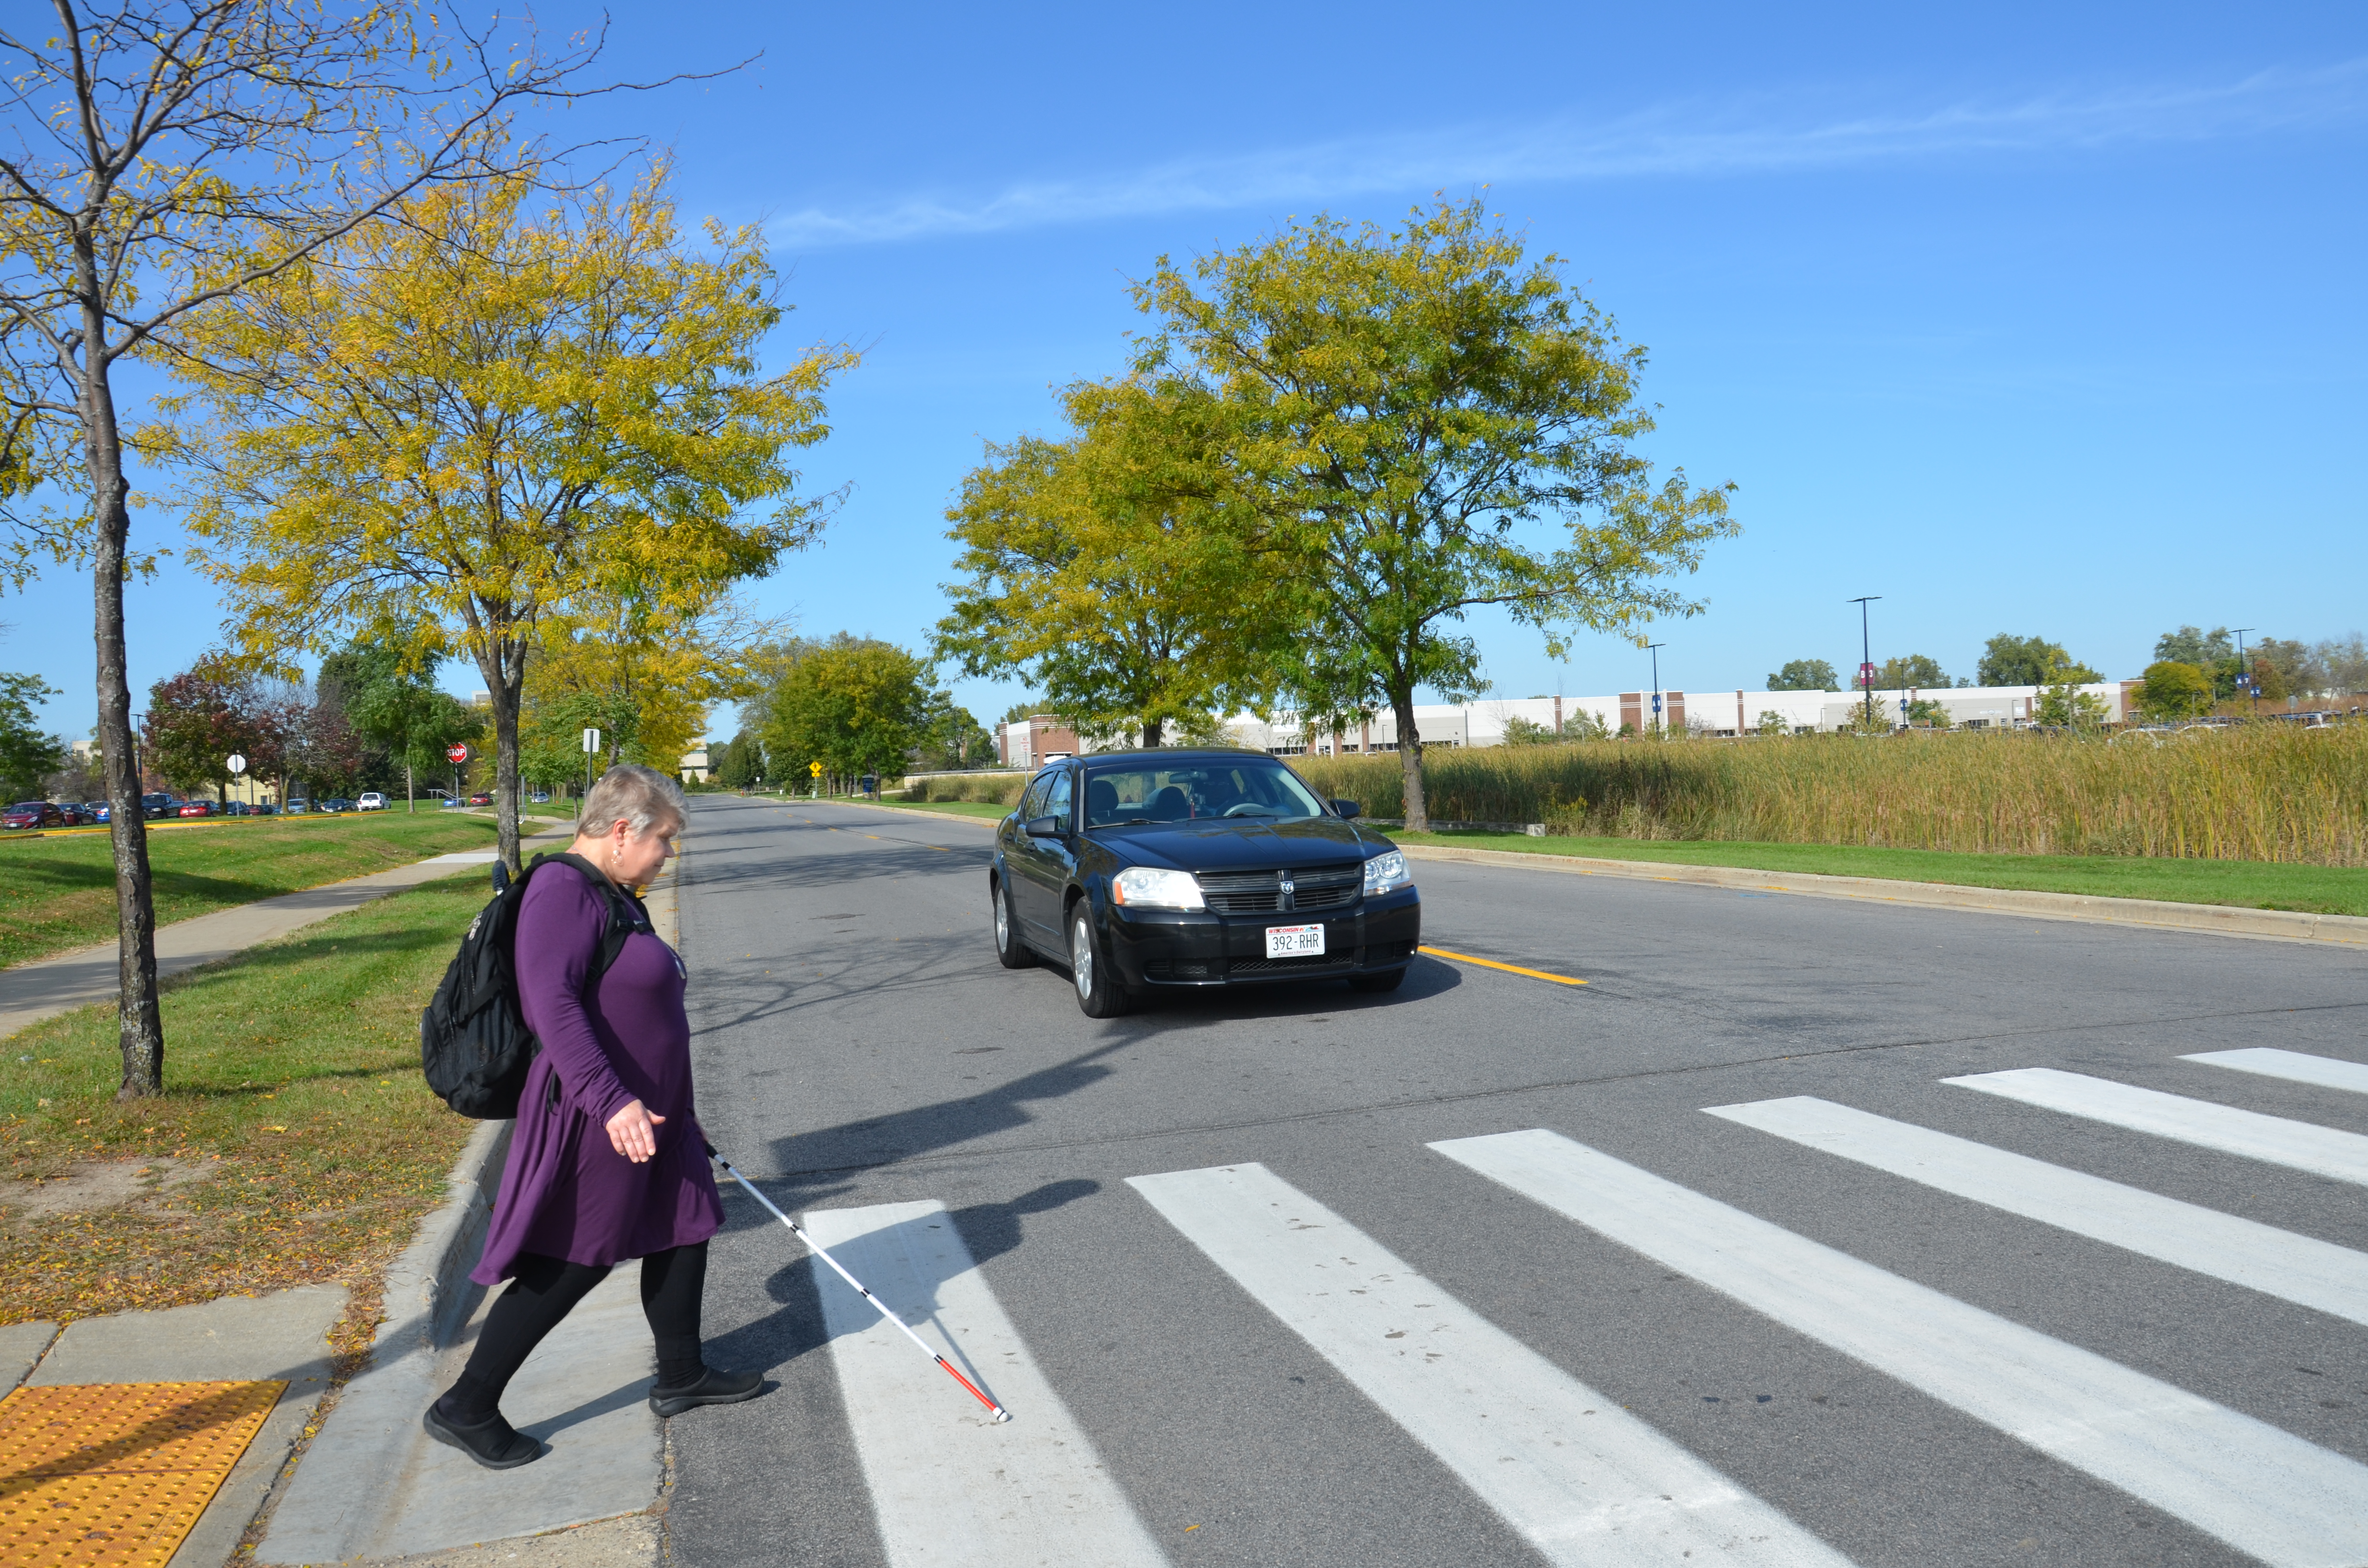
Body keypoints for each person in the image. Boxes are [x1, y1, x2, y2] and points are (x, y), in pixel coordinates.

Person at [424, 764, 759, 1469]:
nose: (668, 855)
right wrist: (612, 1101)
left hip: (653, 1111)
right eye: (663, 840)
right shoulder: (560, 891)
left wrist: (676, 1109)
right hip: (598, 1110)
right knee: (575, 1258)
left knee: (684, 1225)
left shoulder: (612, 891)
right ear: (619, 832)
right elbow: (555, 1008)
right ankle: (467, 1404)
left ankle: (682, 1374)